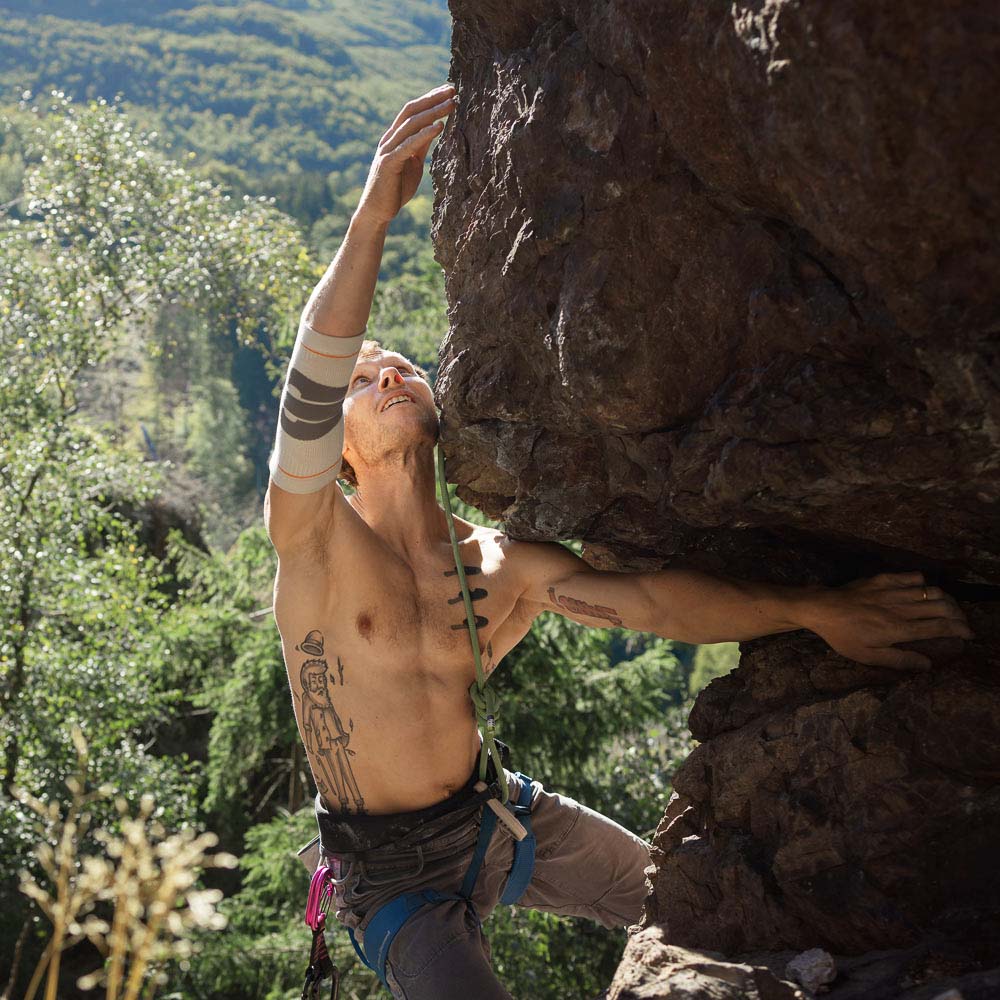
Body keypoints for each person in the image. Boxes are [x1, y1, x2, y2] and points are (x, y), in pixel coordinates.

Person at [264, 84, 972, 1000]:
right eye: (367, 379)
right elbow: (307, 389)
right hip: (390, 878)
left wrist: (815, 609)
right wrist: (372, 213)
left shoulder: (498, 564)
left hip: (496, 818)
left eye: (404, 366)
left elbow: (650, 601)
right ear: (342, 448)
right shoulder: (314, 540)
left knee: (703, 912)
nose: (391, 373)